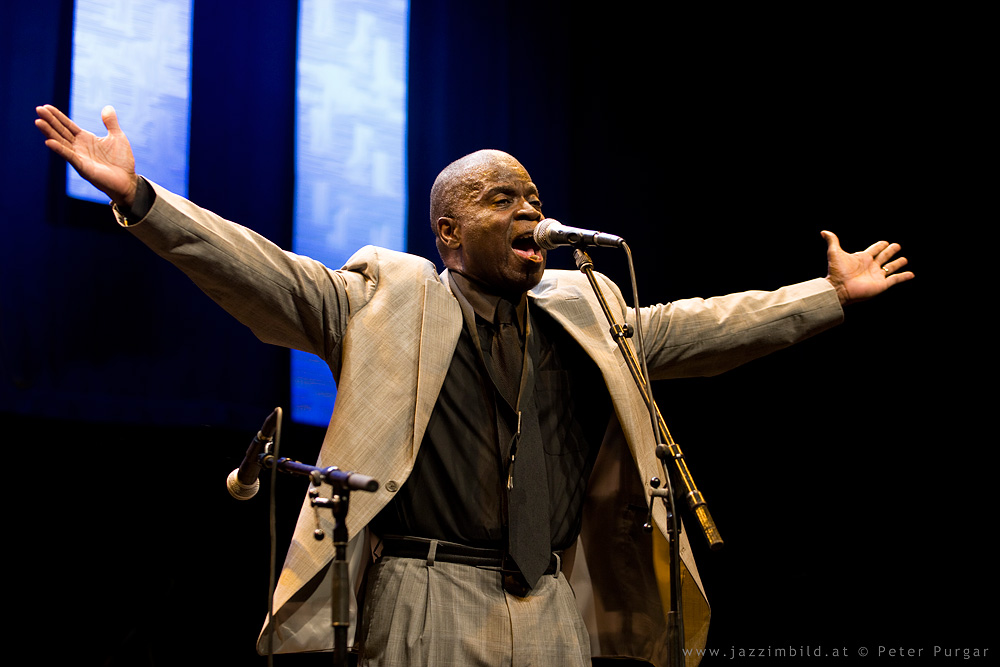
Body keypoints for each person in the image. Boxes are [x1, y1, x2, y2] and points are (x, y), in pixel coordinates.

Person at [35, 104, 912, 667]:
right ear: (450, 232)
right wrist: (145, 200)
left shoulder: (587, 307)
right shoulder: (388, 297)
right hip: (428, 596)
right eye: (502, 199)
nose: (530, 210)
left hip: (551, 601)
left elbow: (706, 327)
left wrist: (826, 296)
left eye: (533, 195)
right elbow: (262, 272)